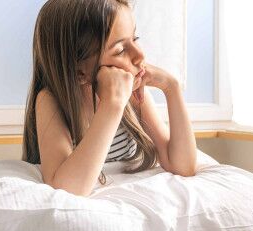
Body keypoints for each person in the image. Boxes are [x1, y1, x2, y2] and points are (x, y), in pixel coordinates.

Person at [22, 0, 197, 197]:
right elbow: (67, 190)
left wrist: (171, 87)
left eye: (135, 38)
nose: (140, 55)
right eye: (120, 50)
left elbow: (183, 166)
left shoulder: (133, 93)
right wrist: (112, 104)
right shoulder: (51, 101)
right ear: (80, 71)